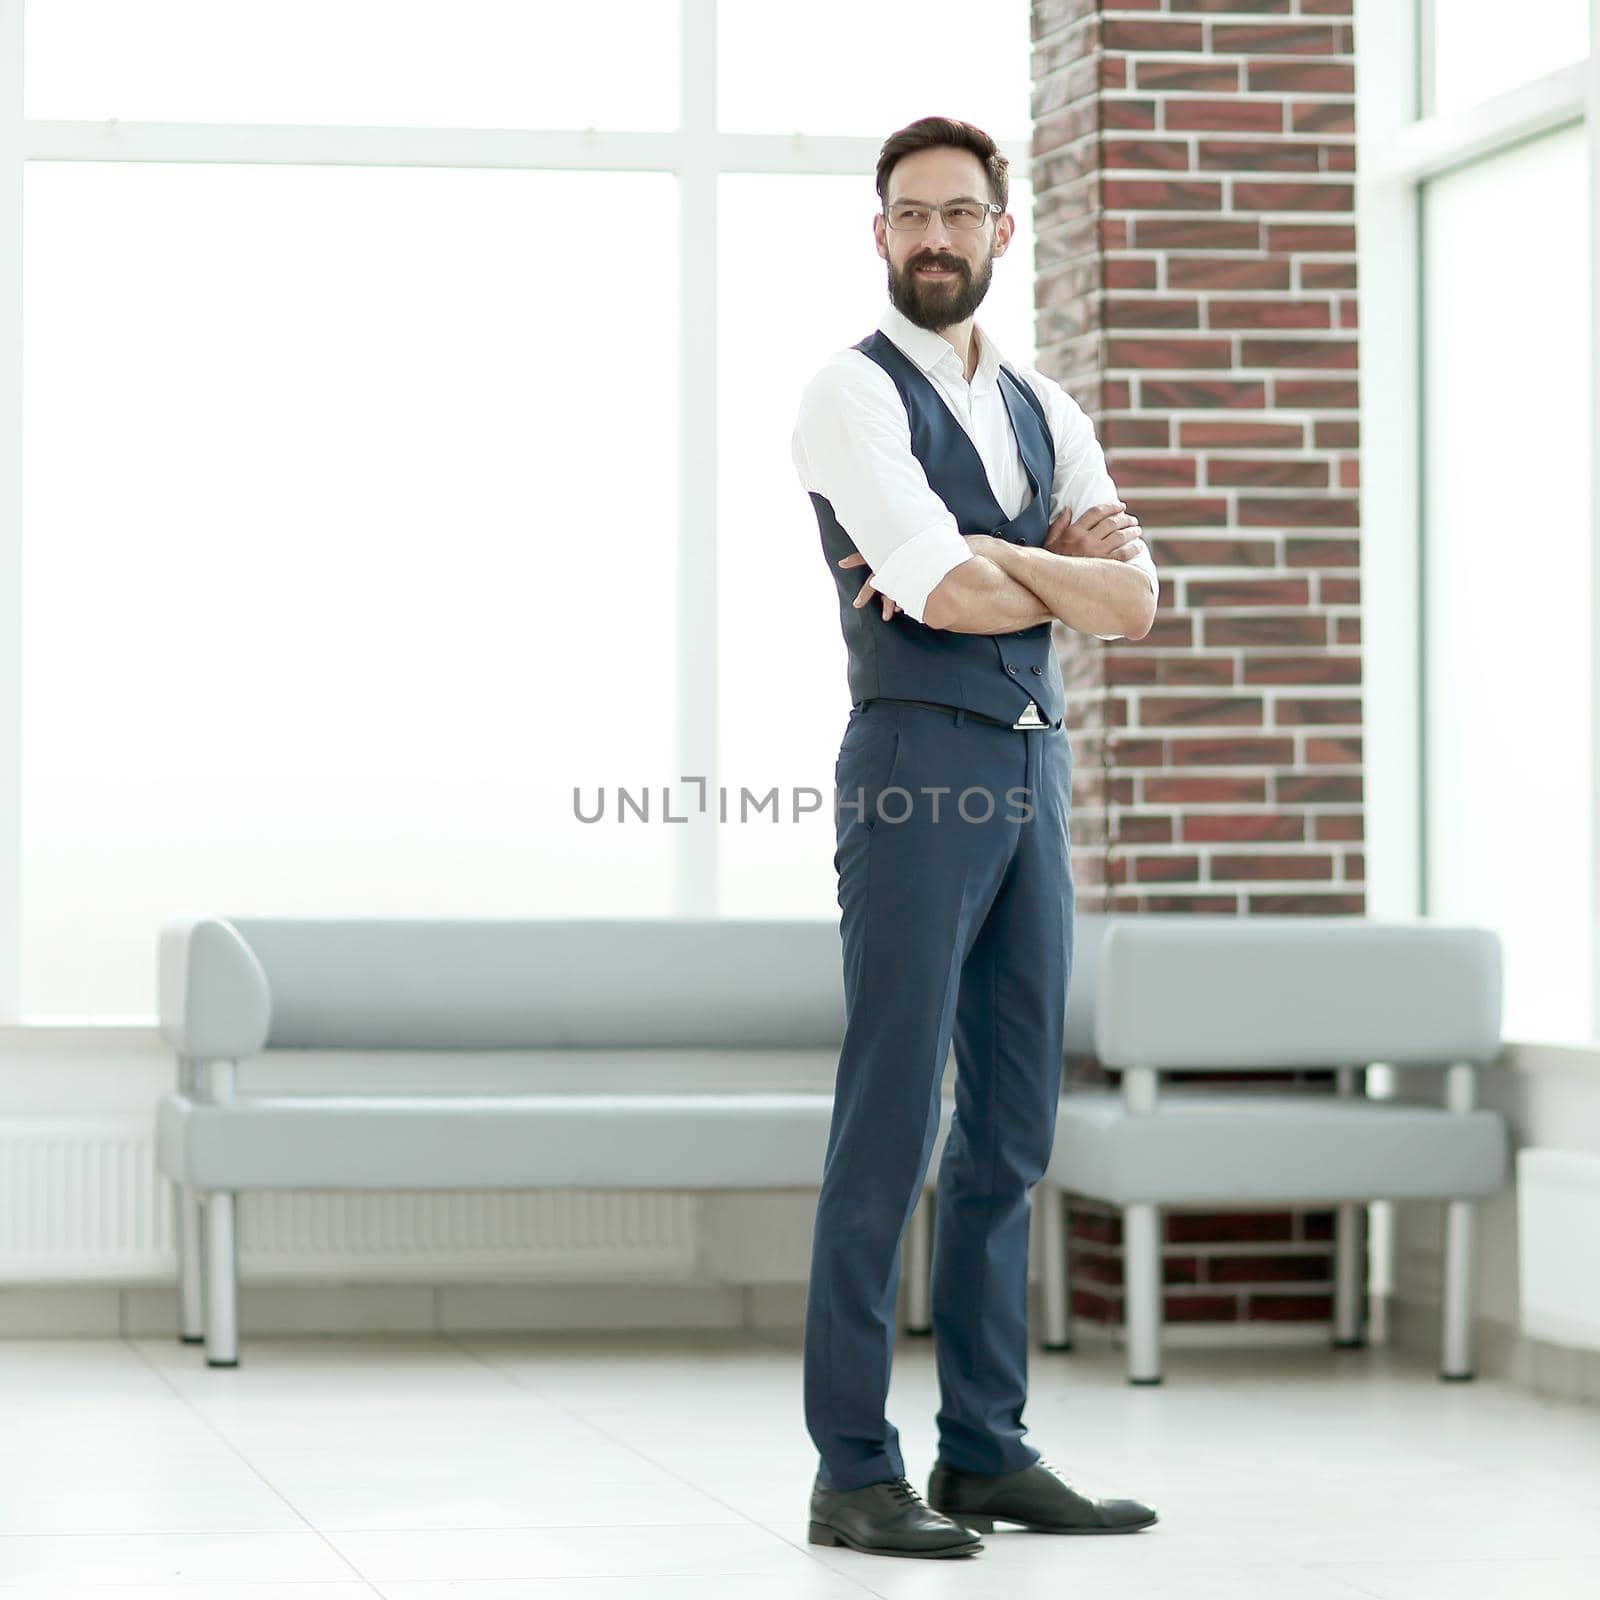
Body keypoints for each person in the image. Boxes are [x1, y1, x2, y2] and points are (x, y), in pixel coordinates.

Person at [790, 115, 1162, 1560]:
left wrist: (999, 562)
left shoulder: (1044, 404)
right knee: (889, 1120)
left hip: (1031, 774)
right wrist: (1042, 570)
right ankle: (852, 1466)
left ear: (1003, 232)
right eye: (909, 215)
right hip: (913, 770)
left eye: (960, 214)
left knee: (1013, 1121)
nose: (934, 237)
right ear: (878, 234)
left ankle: (987, 1451)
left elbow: (1134, 603)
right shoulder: (848, 397)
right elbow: (936, 597)